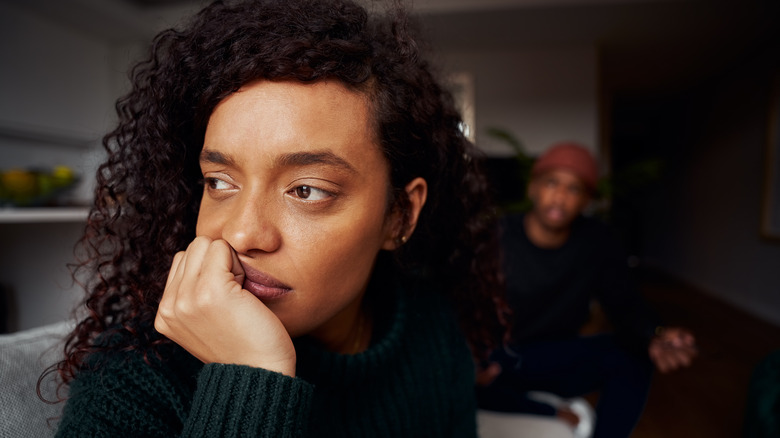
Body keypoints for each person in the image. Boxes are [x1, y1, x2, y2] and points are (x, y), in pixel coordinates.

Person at [44, 0, 509, 436]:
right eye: (220, 182)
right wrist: (249, 380)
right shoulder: (130, 378)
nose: (243, 233)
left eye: (306, 190)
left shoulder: (433, 334)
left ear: (399, 215)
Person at [476, 142, 697, 438]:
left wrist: (655, 334)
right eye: (552, 183)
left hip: (554, 357)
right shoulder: (494, 236)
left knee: (633, 354)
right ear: (533, 188)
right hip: (500, 358)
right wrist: (469, 357)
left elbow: (625, 304)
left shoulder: (596, 240)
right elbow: (460, 304)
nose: (560, 196)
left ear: (585, 201)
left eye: (574, 189)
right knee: (461, 378)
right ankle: (546, 411)